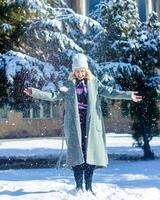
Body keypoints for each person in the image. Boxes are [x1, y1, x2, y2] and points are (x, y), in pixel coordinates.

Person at [24, 53, 142, 194]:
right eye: (77, 71)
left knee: (90, 156)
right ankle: (79, 187)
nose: (80, 73)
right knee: (77, 157)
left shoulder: (94, 83)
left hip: (91, 125)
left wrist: (128, 95)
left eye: (82, 70)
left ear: (86, 70)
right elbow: (53, 96)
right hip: (75, 125)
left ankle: (89, 187)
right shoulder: (67, 85)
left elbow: (110, 92)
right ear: (73, 71)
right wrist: (35, 92)